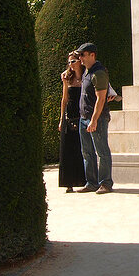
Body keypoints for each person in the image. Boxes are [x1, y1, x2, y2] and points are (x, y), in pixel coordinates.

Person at [75, 42, 114, 194]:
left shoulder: (98, 73)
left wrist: (94, 119)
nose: (80, 58)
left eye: (82, 55)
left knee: (102, 151)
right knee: (87, 152)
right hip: (84, 117)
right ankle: (91, 182)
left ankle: (105, 183)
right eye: (79, 55)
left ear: (92, 55)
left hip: (96, 118)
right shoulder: (87, 71)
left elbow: (101, 99)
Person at [57, 52, 86, 192]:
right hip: (70, 116)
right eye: (69, 62)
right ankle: (68, 183)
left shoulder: (87, 76)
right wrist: (61, 119)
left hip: (83, 115)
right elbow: (64, 99)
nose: (71, 64)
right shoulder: (67, 78)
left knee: (82, 149)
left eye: (73, 61)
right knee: (67, 149)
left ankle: (84, 180)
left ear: (80, 61)